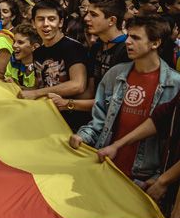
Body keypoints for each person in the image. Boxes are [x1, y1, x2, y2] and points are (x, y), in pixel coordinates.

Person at [72, 16, 180, 182]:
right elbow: (100, 118)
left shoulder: (174, 84)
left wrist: (159, 178)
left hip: (144, 177)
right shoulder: (116, 74)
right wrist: (83, 136)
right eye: (128, 35)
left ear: (155, 43)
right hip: (106, 165)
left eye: (135, 38)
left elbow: (171, 140)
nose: (128, 42)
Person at [20, 0, 89, 128]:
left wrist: (36, 93)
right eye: (40, 19)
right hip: (48, 118)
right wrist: (17, 88)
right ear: (33, 23)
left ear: (61, 22)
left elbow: (78, 85)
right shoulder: (38, 52)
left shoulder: (73, 47)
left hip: (73, 122)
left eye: (51, 19)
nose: (46, 24)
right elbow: (39, 86)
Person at [5, 24, 41, 88]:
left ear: (35, 47)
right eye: (14, 42)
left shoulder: (42, 67)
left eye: (20, 42)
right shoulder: (12, 61)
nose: (14, 45)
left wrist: (16, 86)